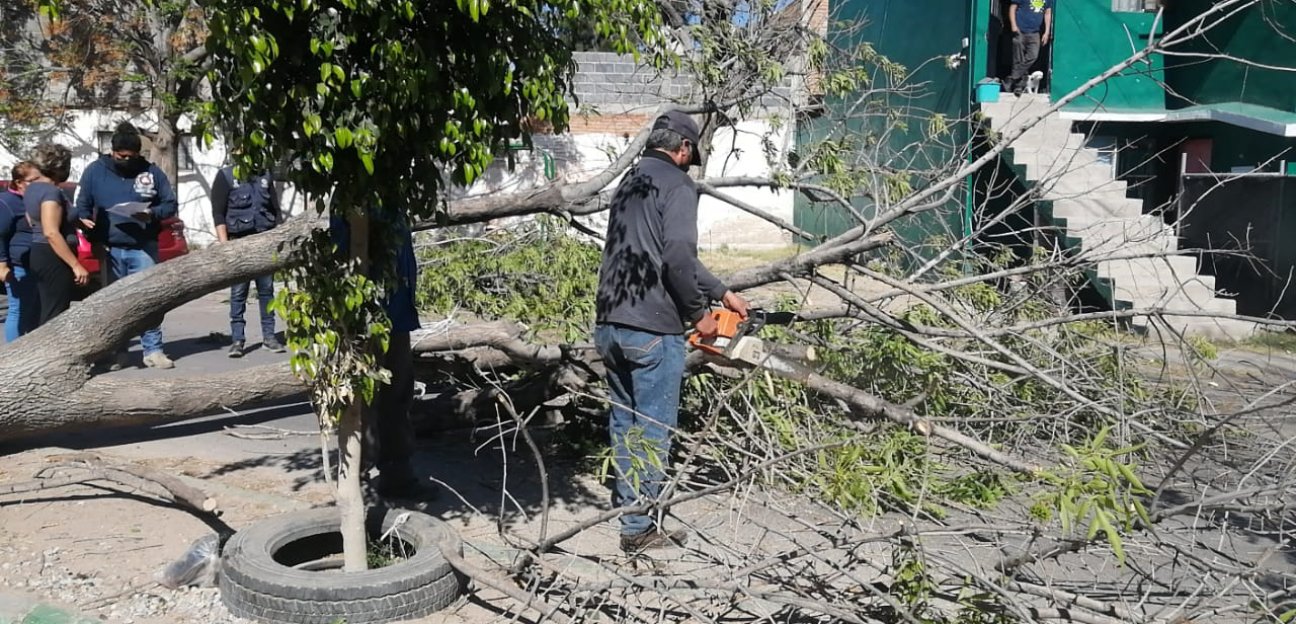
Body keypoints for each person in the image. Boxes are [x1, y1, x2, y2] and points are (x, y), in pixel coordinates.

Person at [594, 111, 749, 553]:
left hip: (610, 325)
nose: (688, 161)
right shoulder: (678, 185)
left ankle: (630, 512)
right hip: (653, 329)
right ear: (683, 148)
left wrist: (723, 292)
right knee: (653, 429)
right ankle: (638, 528)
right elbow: (677, 255)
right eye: (689, 154)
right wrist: (701, 314)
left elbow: (658, 249)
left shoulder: (631, 182)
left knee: (625, 424)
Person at [330, 213, 436, 501]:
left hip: (398, 316)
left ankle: (398, 475)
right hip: (366, 319)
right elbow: (343, 253)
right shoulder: (355, 192)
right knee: (362, 402)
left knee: (399, 395)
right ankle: (357, 480)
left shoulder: (394, 194)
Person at [76, 122, 179, 369]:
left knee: (149, 301)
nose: (125, 161)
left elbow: (170, 204)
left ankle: (153, 351)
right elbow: (82, 204)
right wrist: (85, 220)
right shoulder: (95, 171)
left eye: (130, 157)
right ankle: (118, 352)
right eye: (120, 156)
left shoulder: (151, 172)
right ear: (112, 151)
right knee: (114, 305)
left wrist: (152, 213)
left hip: (144, 247)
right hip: (109, 249)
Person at [210, 164, 284, 357]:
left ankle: (269, 337)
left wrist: (278, 241)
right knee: (238, 293)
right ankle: (237, 340)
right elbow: (218, 212)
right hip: (239, 244)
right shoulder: (226, 176)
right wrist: (225, 246)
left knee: (266, 292)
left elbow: (276, 210)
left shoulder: (264, 174)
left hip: (265, 243)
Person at [24, 143, 87, 325]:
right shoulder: (51, 192)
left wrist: (76, 221)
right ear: (59, 167)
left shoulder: (32, 189)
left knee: (46, 308)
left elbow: (32, 220)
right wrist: (75, 265)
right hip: (52, 257)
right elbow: (51, 232)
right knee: (55, 315)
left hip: (38, 252)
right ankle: (49, 352)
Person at [0, 162, 40, 341]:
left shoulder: (33, 199)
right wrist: (2, 265)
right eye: (32, 180)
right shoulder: (7, 203)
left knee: (34, 310)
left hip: (37, 263)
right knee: (18, 309)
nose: (37, 184)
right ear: (19, 182)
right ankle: (12, 357)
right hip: (17, 266)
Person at [1007, 0, 1053, 96]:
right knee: (1018, 59)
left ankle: (1012, 78)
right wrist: (1013, 26)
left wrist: (1047, 32)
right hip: (1019, 30)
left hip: (1035, 32)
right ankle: (1018, 87)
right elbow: (1012, 8)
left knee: (1033, 55)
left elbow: (1048, 13)